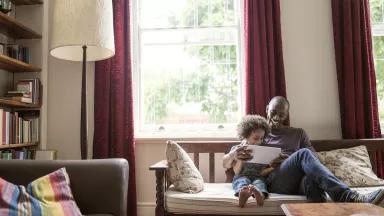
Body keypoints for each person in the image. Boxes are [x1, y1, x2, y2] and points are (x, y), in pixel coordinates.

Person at [262, 96, 384, 203]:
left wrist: (292, 160)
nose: (277, 117)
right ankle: (348, 196)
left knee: (313, 180)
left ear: (286, 115)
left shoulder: (298, 133)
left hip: (299, 181)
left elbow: (314, 158)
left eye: (281, 114)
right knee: (303, 153)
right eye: (273, 112)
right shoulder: (259, 135)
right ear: (267, 109)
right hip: (276, 181)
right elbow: (249, 168)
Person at [223, 115, 279, 207]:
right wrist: (241, 159)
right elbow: (236, 172)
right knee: (242, 181)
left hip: (257, 177)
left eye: (261, 138)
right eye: (256, 138)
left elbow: (261, 173)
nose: (259, 142)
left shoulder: (262, 151)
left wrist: (272, 167)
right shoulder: (237, 149)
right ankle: (243, 194)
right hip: (241, 176)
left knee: (259, 183)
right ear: (246, 136)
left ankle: (259, 195)